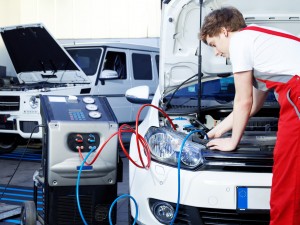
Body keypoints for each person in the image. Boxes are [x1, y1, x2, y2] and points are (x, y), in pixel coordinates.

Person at [199, 6, 300, 225]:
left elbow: (243, 100)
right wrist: (214, 132)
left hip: (298, 94)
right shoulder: (259, 43)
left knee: (288, 180)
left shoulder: (240, 42)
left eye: (213, 44)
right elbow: (251, 106)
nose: (216, 52)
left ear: (224, 31)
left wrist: (233, 142)